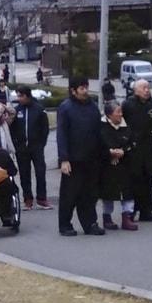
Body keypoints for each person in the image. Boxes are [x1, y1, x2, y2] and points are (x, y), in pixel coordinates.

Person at [56, 76, 103, 236]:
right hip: (73, 159)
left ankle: (90, 223)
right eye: (82, 88)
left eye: (86, 87)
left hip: (91, 158)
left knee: (90, 194)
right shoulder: (65, 108)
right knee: (69, 194)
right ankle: (65, 224)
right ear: (73, 91)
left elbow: (99, 132)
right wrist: (64, 159)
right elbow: (61, 134)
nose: (85, 91)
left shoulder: (93, 107)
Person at [121, 79, 152, 223]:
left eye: (148, 87)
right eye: (143, 87)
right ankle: (131, 211)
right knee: (133, 181)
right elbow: (120, 122)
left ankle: (147, 211)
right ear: (136, 90)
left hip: (148, 147)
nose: (147, 90)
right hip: (132, 149)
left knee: (148, 180)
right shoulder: (128, 105)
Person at [98, 100, 138, 231]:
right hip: (107, 166)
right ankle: (107, 218)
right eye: (118, 112)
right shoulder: (101, 126)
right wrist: (109, 152)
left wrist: (123, 151)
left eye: (121, 111)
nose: (121, 115)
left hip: (125, 164)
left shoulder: (127, 126)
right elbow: (97, 144)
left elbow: (133, 142)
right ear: (109, 115)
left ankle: (127, 218)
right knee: (108, 193)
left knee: (128, 191)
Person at [10, 86, 51, 209]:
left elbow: (45, 128)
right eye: (18, 95)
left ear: (27, 96)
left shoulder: (39, 109)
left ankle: (42, 198)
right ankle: (28, 199)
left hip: (36, 147)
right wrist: (16, 144)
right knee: (24, 174)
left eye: (21, 96)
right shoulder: (17, 111)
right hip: (22, 148)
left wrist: (41, 144)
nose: (19, 98)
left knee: (40, 172)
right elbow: (12, 129)